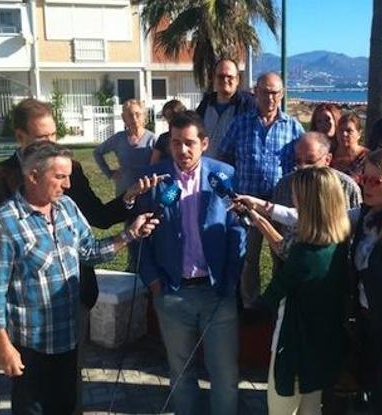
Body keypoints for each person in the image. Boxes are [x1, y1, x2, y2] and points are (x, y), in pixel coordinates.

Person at [245, 147, 382, 414]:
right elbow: (317, 217)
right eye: (364, 179)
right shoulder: (366, 215)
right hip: (371, 330)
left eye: (375, 181)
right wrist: (263, 206)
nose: (366, 186)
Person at [0, 141, 159, 415]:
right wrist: (3, 347)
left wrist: (129, 234)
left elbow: (89, 251)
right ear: (34, 176)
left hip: (70, 340)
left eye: (68, 176)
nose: (68, 185)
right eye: (60, 177)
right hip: (30, 348)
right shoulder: (2, 224)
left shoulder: (67, 209)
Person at [0, 99, 154, 307]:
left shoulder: (70, 170)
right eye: (42, 137)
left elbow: (98, 217)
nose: (51, 144)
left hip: (77, 299)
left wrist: (129, 196)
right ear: (20, 136)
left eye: (54, 135)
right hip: (25, 310)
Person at [136, 111, 247, 415]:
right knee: (181, 372)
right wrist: (154, 282)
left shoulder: (224, 174)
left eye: (189, 143)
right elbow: (141, 236)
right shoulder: (155, 179)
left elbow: (237, 230)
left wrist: (231, 278)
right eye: (175, 143)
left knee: (224, 373)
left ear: (204, 143)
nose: (182, 151)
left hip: (217, 291)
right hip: (172, 292)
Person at [259, 166, 351, 415]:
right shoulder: (340, 244)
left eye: (297, 195)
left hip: (293, 343)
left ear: (309, 203)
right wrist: (260, 217)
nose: (293, 200)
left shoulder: (303, 253)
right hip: (324, 342)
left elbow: (271, 297)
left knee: (281, 408)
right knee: (311, 407)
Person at [219, 72, 304, 307]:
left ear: (282, 94)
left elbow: (304, 161)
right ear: (256, 92)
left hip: (282, 203)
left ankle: (280, 303)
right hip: (248, 202)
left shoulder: (293, 127)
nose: (270, 97)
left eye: (275, 92)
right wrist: (230, 190)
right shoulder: (241, 123)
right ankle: (250, 303)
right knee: (248, 256)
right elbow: (224, 154)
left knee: (282, 256)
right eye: (265, 92)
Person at [271, 132, 362, 261]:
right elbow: (277, 228)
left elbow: (356, 233)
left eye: (310, 161)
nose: (302, 167)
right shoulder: (284, 185)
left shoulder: (347, 187)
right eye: (298, 161)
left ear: (327, 160)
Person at [195, 58, 257, 156]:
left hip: (233, 168)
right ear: (214, 78)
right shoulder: (206, 103)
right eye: (221, 76)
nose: (225, 80)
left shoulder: (248, 105)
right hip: (206, 167)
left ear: (237, 79)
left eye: (230, 77)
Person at [94, 99, 156, 195]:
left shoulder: (153, 139)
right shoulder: (119, 138)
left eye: (137, 114)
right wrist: (109, 173)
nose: (134, 118)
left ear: (144, 116)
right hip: (124, 190)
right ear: (124, 118)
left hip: (146, 191)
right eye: (130, 115)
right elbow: (97, 152)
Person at [331, 112, 370, 182]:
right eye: (340, 130)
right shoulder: (329, 155)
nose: (344, 134)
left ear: (359, 134)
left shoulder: (367, 157)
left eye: (349, 131)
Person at [150, 99, 187, 165]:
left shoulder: (189, 136)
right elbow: (153, 163)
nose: (171, 120)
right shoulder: (163, 138)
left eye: (174, 115)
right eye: (168, 117)